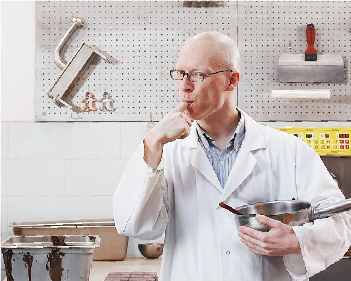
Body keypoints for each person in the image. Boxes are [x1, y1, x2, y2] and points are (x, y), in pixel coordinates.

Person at [113, 31, 351, 281]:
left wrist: (297, 240)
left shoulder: (288, 150)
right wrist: (152, 143)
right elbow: (133, 225)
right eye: (181, 74)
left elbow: (340, 223)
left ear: (231, 80)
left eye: (198, 74)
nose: (185, 85)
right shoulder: (167, 153)